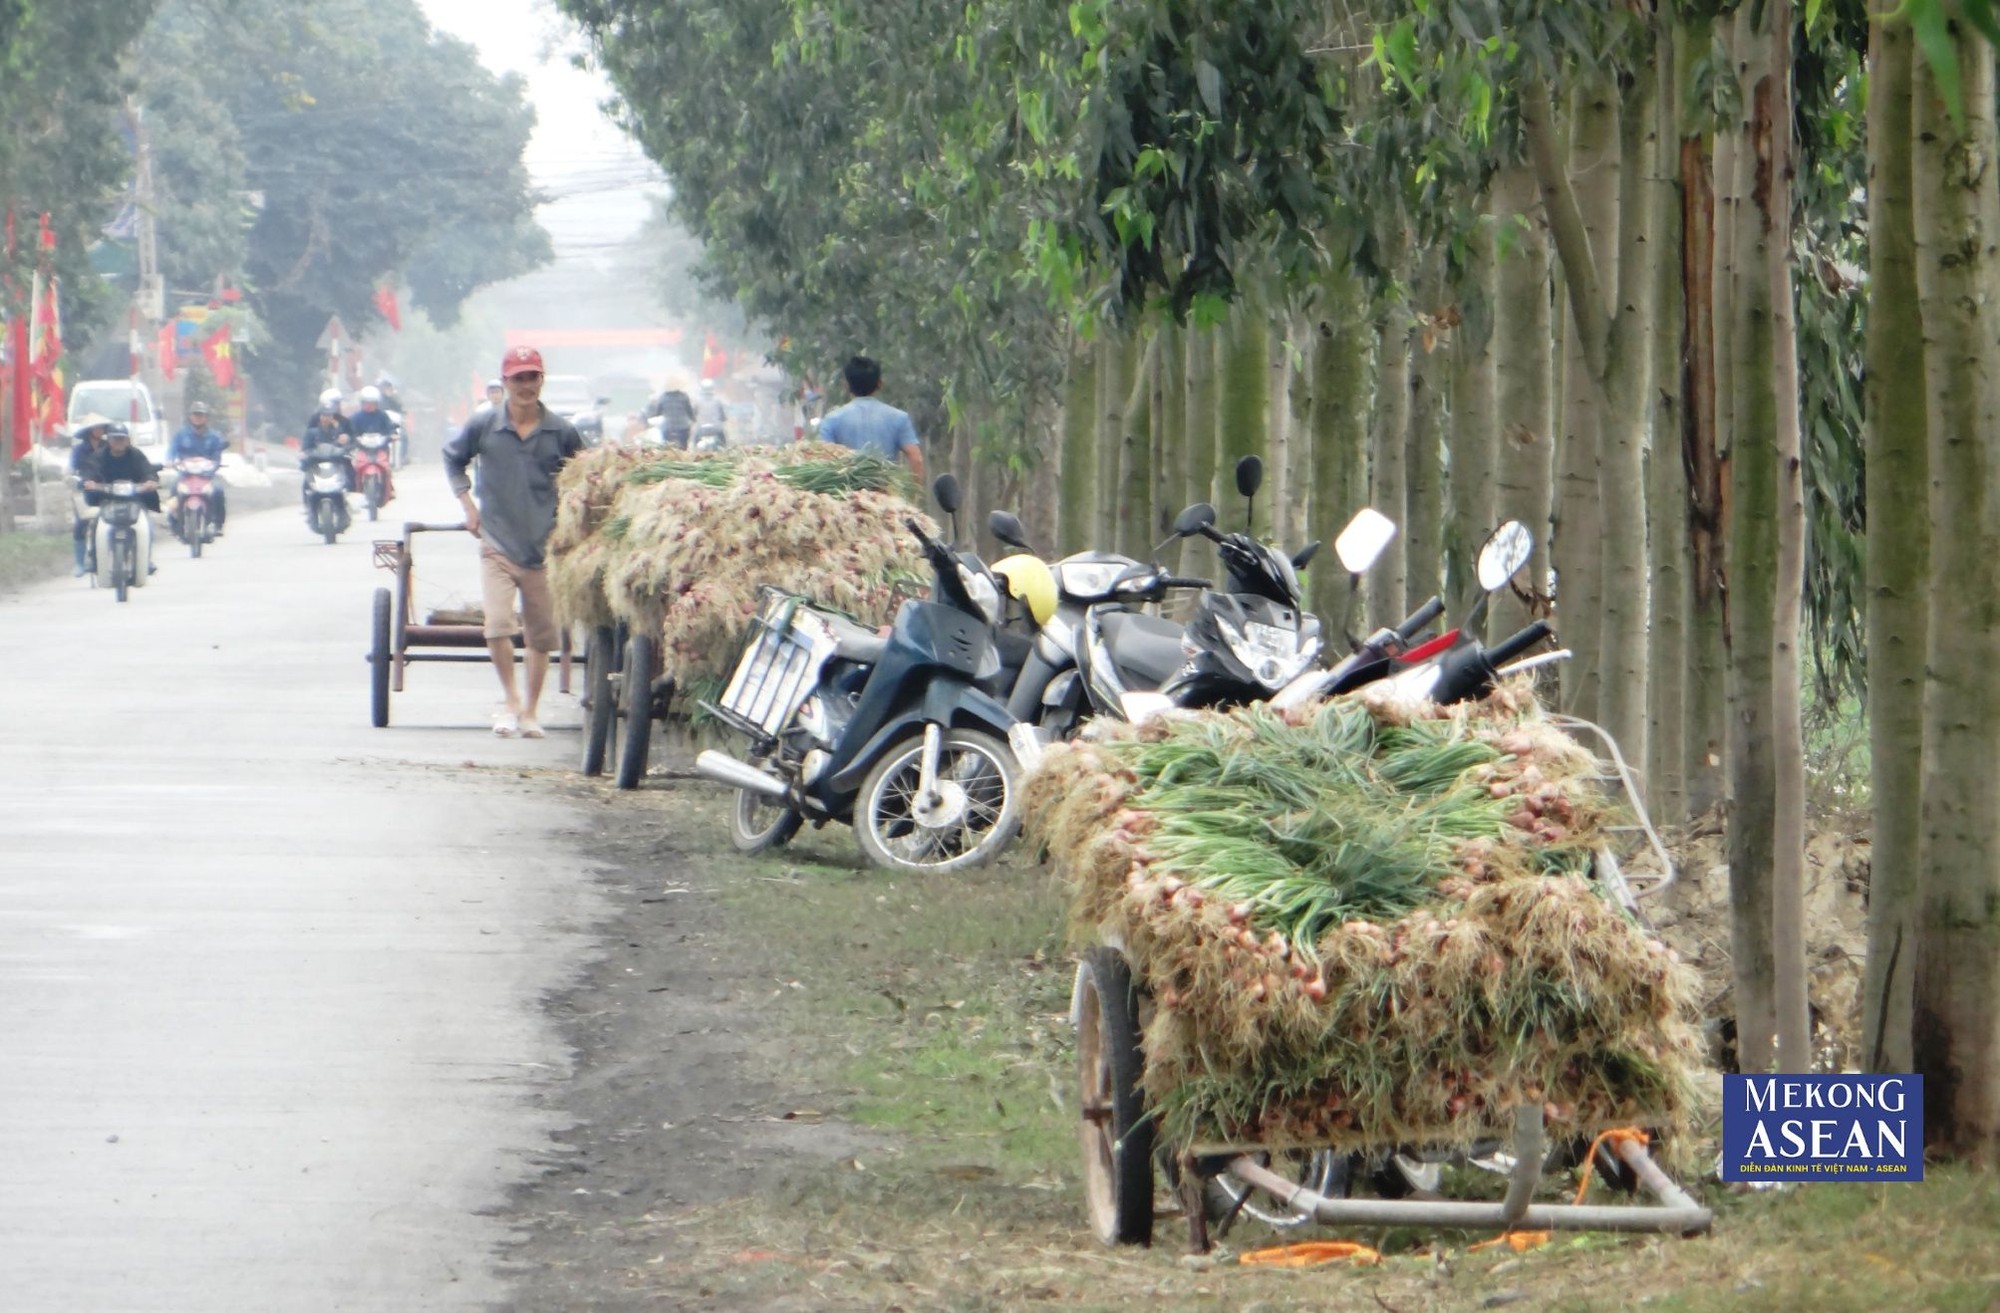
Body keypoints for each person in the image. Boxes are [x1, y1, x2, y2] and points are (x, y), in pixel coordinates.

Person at [442, 345, 585, 739]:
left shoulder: (562, 431)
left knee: (541, 635)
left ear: (542, 380)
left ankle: (531, 710)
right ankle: (510, 698)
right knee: (498, 624)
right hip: (497, 543)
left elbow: (585, 476)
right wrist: (468, 505)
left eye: (532, 377)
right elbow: (453, 459)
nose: (526, 385)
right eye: (518, 378)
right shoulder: (484, 426)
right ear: (504, 383)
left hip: (545, 548)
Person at [817, 355, 924, 481]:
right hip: (888, 494)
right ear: (880, 384)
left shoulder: (831, 420)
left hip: (846, 497)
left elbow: (823, 462)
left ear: (846, 385)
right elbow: (916, 460)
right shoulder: (899, 418)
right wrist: (913, 496)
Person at [81, 423, 162, 583]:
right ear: (108, 440)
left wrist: (150, 481)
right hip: (107, 499)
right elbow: (90, 472)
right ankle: (93, 557)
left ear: (128, 440)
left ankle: (146, 559)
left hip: (134, 500)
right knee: (95, 523)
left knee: (147, 524)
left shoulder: (136, 455)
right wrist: (89, 482)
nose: (118, 441)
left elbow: (148, 471)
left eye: (122, 438)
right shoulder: (99, 456)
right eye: (115, 438)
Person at [166, 401, 229, 535]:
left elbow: (217, 456)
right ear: (190, 416)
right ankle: (173, 523)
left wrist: (214, 466)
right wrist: (169, 460)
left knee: (218, 490)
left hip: (207, 475)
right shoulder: (181, 434)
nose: (198, 417)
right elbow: (172, 450)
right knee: (174, 490)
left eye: (201, 415)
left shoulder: (214, 437)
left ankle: (218, 524)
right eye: (195, 414)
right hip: (186, 475)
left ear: (206, 417)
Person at [66, 413, 114, 576]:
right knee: (81, 524)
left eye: (101, 427)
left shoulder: (109, 446)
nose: (99, 430)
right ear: (89, 430)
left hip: (106, 488)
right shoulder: (79, 450)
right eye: (95, 427)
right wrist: (79, 481)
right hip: (85, 490)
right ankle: (79, 563)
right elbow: (73, 471)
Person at [643, 383, 695, 449]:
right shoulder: (684, 396)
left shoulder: (663, 397)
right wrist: (693, 419)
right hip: (683, 426)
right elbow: (689, 411)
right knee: (684, 446)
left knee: (666, 446)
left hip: (668, 427)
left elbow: (658, 411)